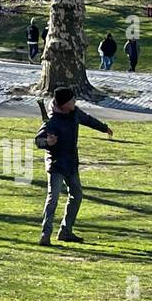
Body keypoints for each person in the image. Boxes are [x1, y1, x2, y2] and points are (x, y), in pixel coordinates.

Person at [35, 86, 113, 245]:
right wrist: (47, 142)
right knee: (53, 199)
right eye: (72, 100)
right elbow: (38, 140)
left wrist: (104, 128)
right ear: (64, 104)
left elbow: (89, 120)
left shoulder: (74, 113)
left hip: (71, 163)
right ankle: (45, 234)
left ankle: (66, 231)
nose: (75, 101)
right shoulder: (52, 121)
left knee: (76, 195)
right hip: (56, 165)